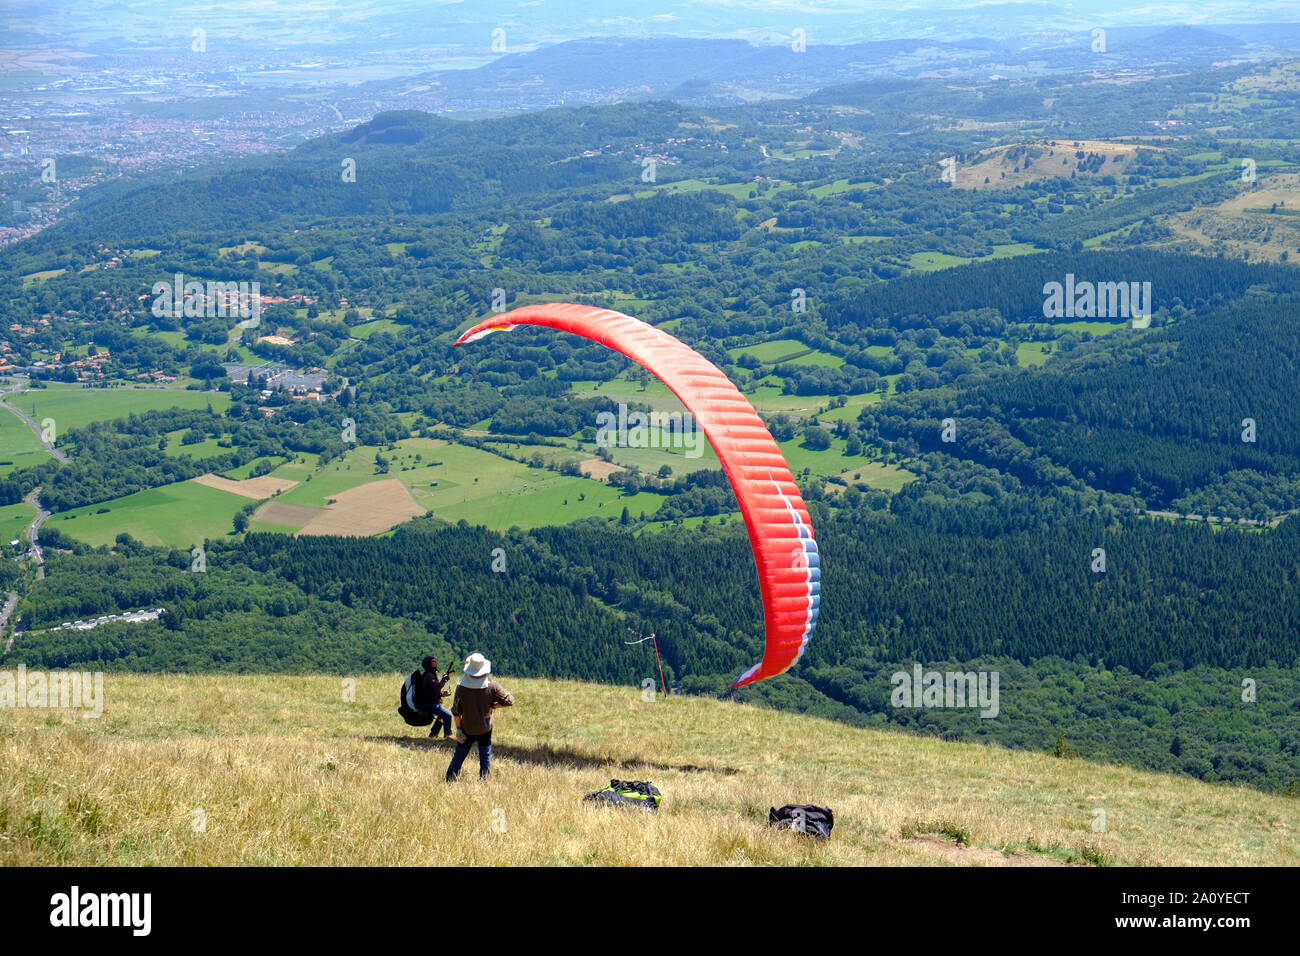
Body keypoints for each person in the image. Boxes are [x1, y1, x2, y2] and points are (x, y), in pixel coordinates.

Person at [446, 653, 513, 781]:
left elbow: (456, 711)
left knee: (460, 754)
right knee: (485, 755)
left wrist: (459, 730)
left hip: (467, 728)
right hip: (485, 728)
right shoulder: (492, 687)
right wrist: (494, 706)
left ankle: (450, 779)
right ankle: (484, 781)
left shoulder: (461, 688)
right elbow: (509, 701)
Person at [417, 656, 454, 738]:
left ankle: (433, 733)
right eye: (433, 661)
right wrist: (444, 680)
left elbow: (433, 691)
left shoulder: (430, 675)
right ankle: (447, 735)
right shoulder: (429, 676)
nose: (436, 662)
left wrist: (441, 694)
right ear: (429, 664)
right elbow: (437, 687)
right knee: (448, 715)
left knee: (441, 715)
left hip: (431, 703)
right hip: (430, 704)